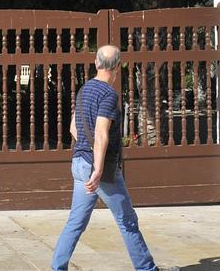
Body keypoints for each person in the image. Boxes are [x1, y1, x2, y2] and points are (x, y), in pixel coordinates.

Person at [51, 45, 159, 271]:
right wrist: (98, 169)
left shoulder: (84, 90)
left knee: (75, 222)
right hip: (98, 169)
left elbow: (73, 127)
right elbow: (101, 134)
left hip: (79, 164)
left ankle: (57, 268)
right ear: (117, 67)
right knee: (127, 221)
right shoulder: (108, 94)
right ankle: (147, 269)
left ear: (97, 63)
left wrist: (86, 150)